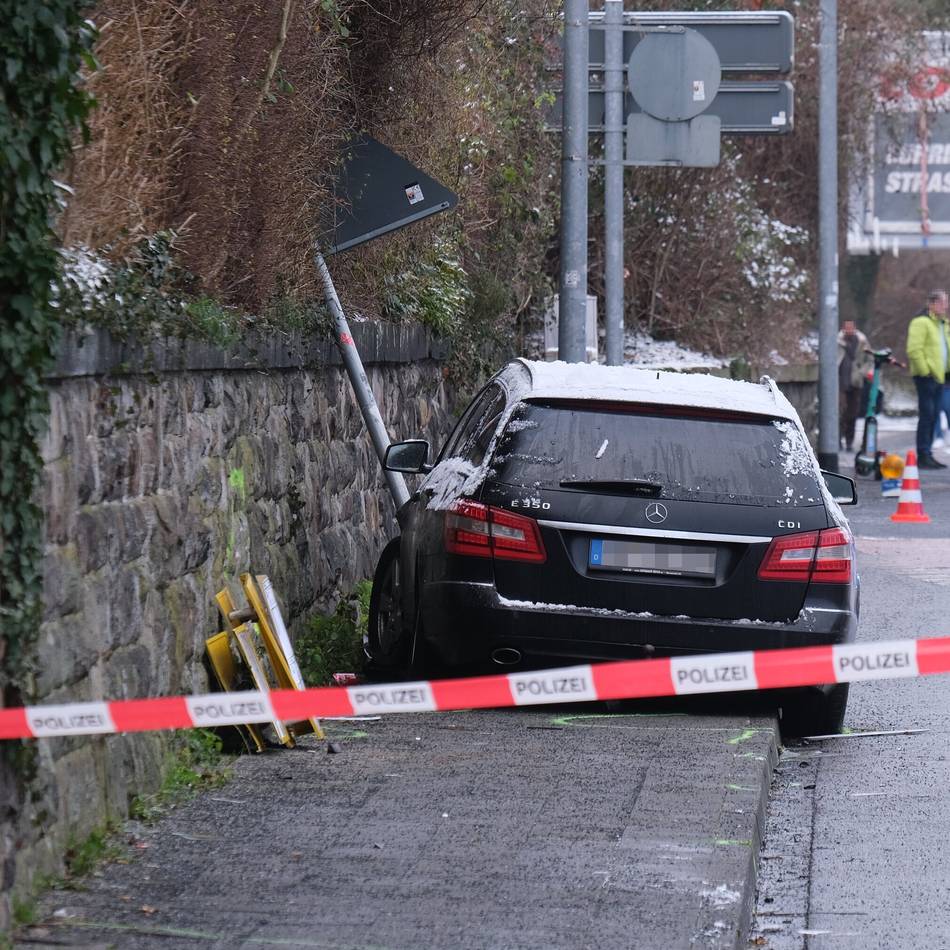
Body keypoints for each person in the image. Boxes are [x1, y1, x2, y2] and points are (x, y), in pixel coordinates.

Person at [906, 289, 950, 470]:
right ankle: (923, 454)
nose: (945, 306)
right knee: (927, 415)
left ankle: (928, 454)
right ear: (931, 304)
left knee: (933, 417)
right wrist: (926, 372)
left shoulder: (943, 324)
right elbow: (914, 350)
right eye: (942, 302)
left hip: (940, 378)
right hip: (927, 377)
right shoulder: (921, 322)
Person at [837, 320, 872, 451]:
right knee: (840, 411)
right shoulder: (837, 341)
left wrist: (863, 371)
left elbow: (870, 359)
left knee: (852, 413)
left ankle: (849, 441)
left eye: (851, 327)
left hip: (856, 381)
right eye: (847, 327)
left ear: (855, 328)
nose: (849, 330)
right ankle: (838, 439)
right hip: (840, 381)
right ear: (843, 328)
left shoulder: (862, 341)